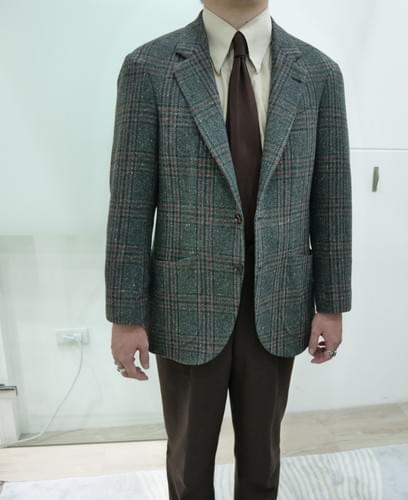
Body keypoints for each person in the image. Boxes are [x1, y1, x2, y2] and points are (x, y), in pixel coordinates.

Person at [104, 0, 352, 498]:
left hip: (278, 299)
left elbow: (332, 198)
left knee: (263, 460)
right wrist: (126, 316)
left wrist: (332, 303)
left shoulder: (319, 74)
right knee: (188, 462)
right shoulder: (149, 68)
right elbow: (130, 201)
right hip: (185, 300)